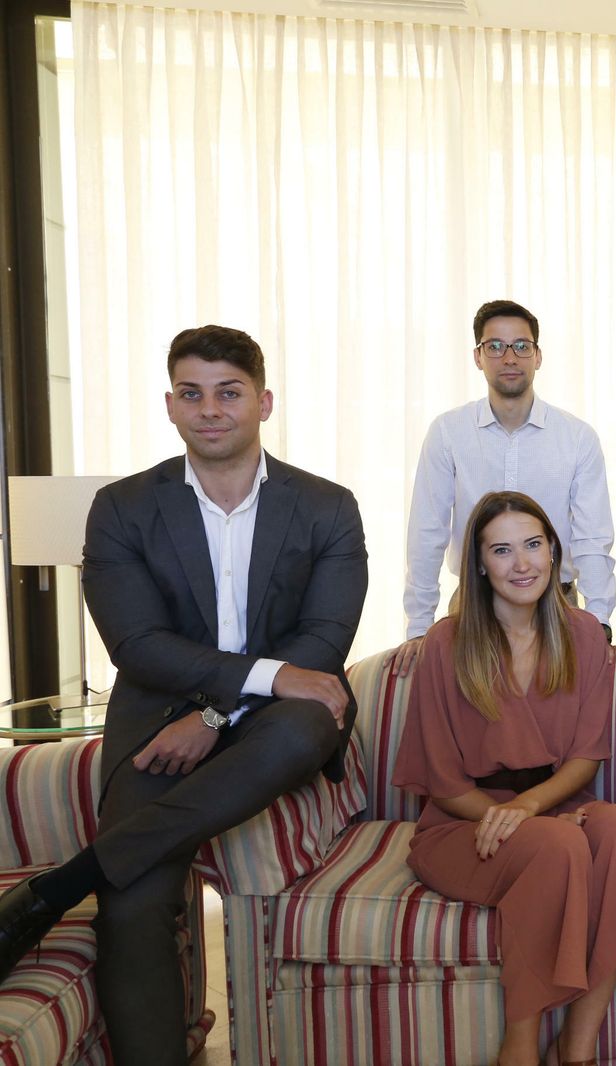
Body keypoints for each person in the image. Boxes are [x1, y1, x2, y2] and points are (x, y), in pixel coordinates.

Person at [0, 325, 367, 1065]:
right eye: (192, 394)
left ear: (263, 401)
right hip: (157, 722)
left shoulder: (327, 507)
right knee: (132, 906)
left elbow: (323, 644)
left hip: (278, 723)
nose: (211, 410)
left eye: (229, 393)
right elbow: (137, 646)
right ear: (170, 405)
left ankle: (63, 883)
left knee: (308, 722)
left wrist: (215, 715)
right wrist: (208, 709)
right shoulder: (123, 508)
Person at [392, 491, 616, 1066]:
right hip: (461, 823)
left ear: (554, 552)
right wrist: (513, 816)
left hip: (554, 805)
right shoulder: (445, 644)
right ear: (479, 563)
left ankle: (578, 1046)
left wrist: (532, 807)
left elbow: (585, 758)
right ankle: (518, 1046)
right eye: (502, 550)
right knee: (559, 843)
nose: (522, 564)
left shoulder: (586, 633)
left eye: (534, 545)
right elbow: (441, 781)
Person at [397, 299, 616, 673]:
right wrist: (419, 628)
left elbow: (593, 539)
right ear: (478, 357)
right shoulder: (448, 433)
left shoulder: (577, 438)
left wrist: (599, 623)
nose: (509, 357)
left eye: (521, 346)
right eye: (495, 346)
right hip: (472, 603)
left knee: (557, 720)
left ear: (538, 356)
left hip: (557, 604)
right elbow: (426, 533)